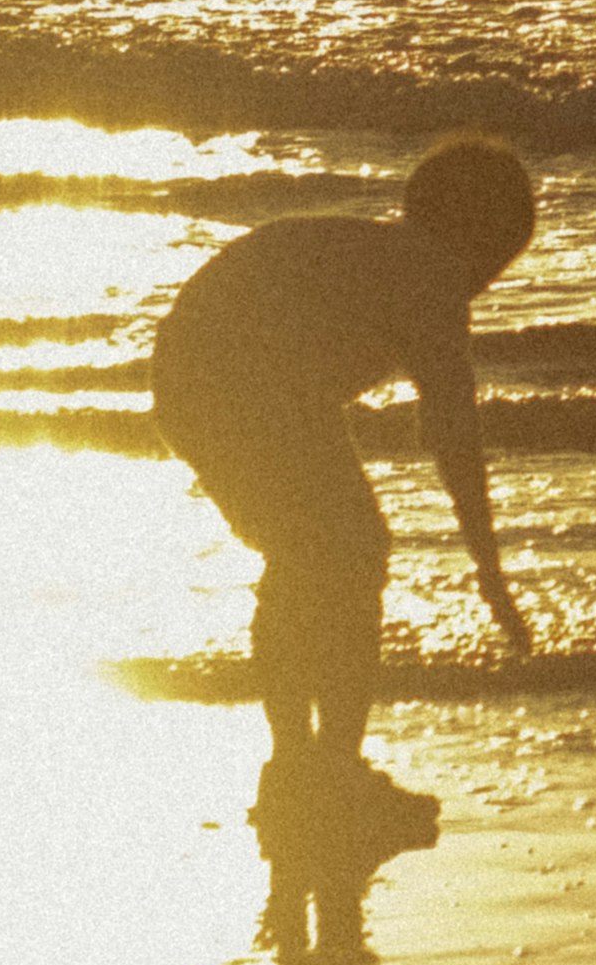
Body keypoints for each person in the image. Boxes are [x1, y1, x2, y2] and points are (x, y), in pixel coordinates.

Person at [151, 133, 539, 846]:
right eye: (503, 250)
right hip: (226, 377)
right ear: (480, 236)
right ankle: (322, 771)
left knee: (314, 557)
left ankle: (306, 767)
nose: (493, 276)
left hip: (199, 377)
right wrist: (489, 572)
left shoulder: (395, 258)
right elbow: (452, 433)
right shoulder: (428, 276)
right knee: (345, 550)